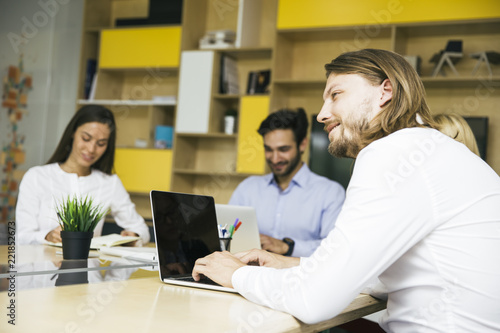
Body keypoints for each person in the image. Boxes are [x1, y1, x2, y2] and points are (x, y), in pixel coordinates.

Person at [192, 49, 500, 332]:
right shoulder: (433, 150)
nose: (322, 114)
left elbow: (313, 301)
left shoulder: (392, 153)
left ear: (386, 91)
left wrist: (234, 274)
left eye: (335, 95)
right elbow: (381, 279)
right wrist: (290, 264)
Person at [16, 105, 150, 245]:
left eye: (101, 143)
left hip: (88, 266)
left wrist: (133, 236)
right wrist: (48, 236)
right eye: (86, 138)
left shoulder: (109, 183)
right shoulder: (36, 177)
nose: (91, 149)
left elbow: (142, 230)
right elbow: (20, 237)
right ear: (73, 133)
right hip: (42, 265)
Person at [228, 108, 345, 257]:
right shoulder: (247, 188)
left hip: (300, 278)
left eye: (283, 149)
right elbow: (227, 233)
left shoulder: (330, 193)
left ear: (302, 144)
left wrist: (286, 246)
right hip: (249, 276)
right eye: (269, 149)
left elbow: (335, 249)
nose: (275, 158)